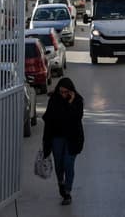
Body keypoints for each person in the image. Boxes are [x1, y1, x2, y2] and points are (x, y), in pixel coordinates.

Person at [42, 77, 85, 206]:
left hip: (73, 138)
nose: (63, 94)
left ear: (71, 91)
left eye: (66, 92)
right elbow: (48, 121)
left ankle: (67, 191)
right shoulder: (54, 100)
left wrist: (71, 102)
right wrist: (46, 142)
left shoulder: (77, 101)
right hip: (57, 138)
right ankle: (61, 182)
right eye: (61, 92)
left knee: (68, 164)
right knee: (59, 164)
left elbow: (77, 118)